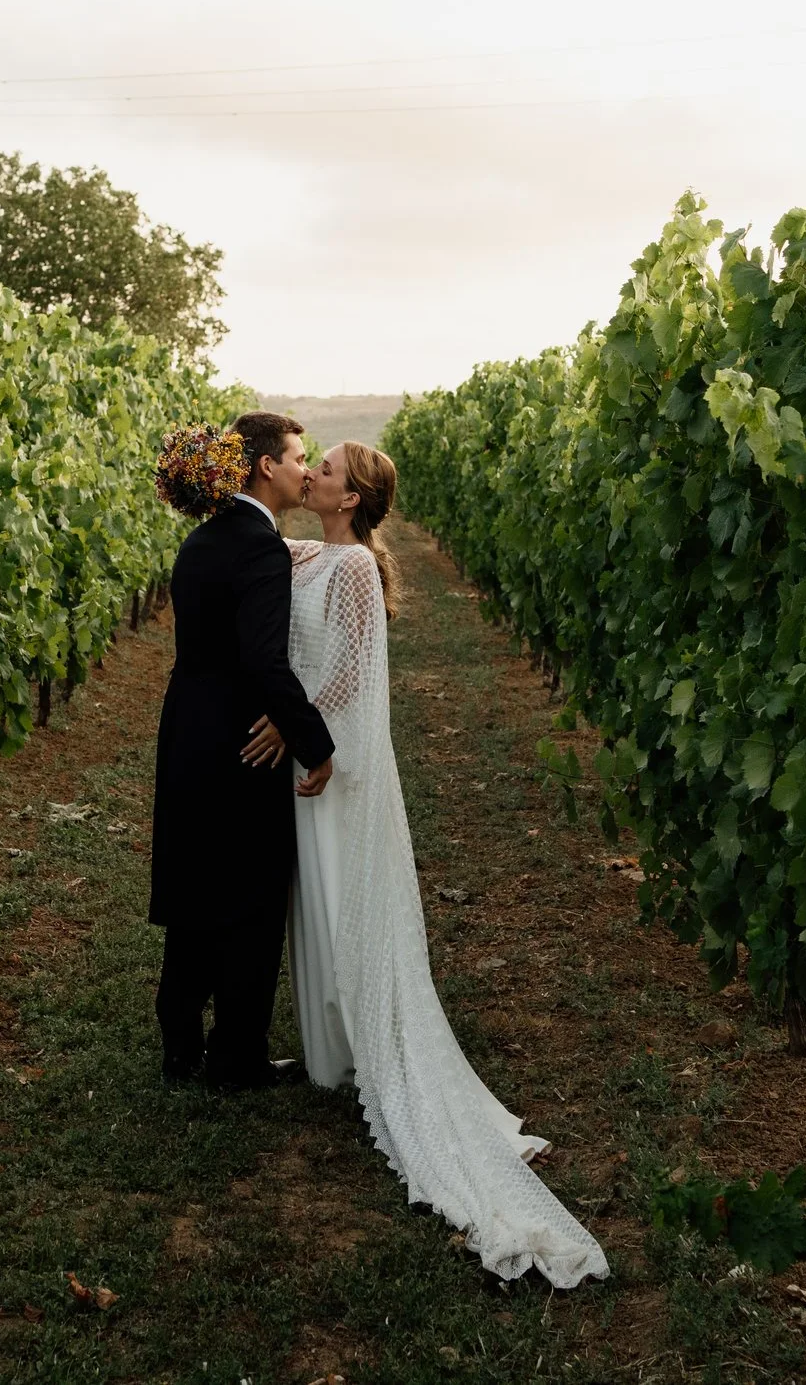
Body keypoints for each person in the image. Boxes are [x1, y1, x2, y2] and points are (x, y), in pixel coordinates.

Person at [243, 440, 609, 1288]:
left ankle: (365, 1048)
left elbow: (353, 679)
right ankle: (330, 1048)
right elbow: (258, 544)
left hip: (331, 759)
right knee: (317, 899)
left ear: (352, 497)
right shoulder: (307, 552)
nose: (315, 474)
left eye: (328, 468)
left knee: (343, 897)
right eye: (315, 463)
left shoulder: (359, 571)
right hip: (309, 751)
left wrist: (296, 728)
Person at [149, 411, 336, 1090]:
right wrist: (313, 741)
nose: (305, 468)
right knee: (252, 895)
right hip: (244, 737)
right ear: (265, 466)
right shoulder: (258, 547)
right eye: (297, 456)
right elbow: (262, 658)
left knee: (196, 882)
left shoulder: (203, 539)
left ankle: (180, 1045)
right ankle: (237, 1058)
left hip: (188, 728)